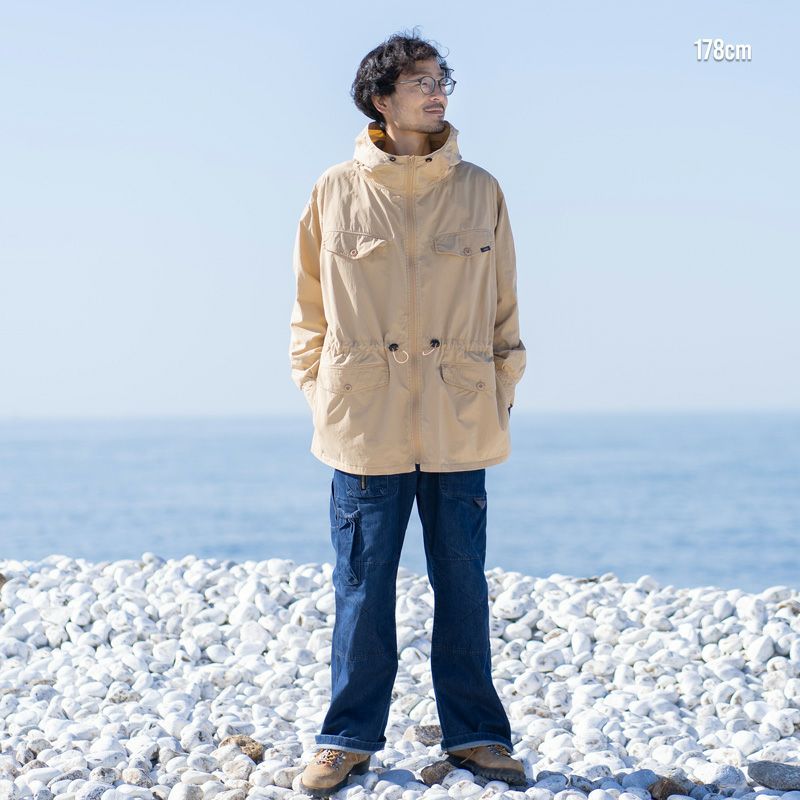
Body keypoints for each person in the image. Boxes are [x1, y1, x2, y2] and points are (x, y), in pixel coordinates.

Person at [288, 29, 527, 797]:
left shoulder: (481, 189)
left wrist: (497, 389)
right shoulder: (334, 191)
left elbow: (505, 313)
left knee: (464, 588)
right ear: (380, 99)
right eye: (420, 81)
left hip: (460, 420)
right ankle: (346, 740)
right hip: (364, 424)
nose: (438, 91)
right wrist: (325, 392)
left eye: (441, 78)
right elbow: (308, 315)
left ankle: (479, 736)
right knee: (362, 589)